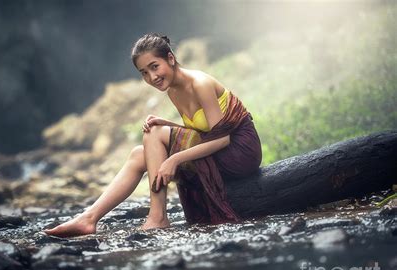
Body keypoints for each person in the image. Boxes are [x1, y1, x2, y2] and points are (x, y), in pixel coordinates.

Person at [43, 33, 262, 238]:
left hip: (240, 152)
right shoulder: (173, 91)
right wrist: (168, 124)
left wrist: (174, 158)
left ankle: (157, 218)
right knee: (139, 153)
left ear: (171, 58)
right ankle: (88, 218)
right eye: (144, 73)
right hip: (218, 151)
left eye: (154, 67)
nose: (152, 77)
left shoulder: (200, 84)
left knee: (154, 135)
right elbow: (201, 131)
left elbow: (221, 138)